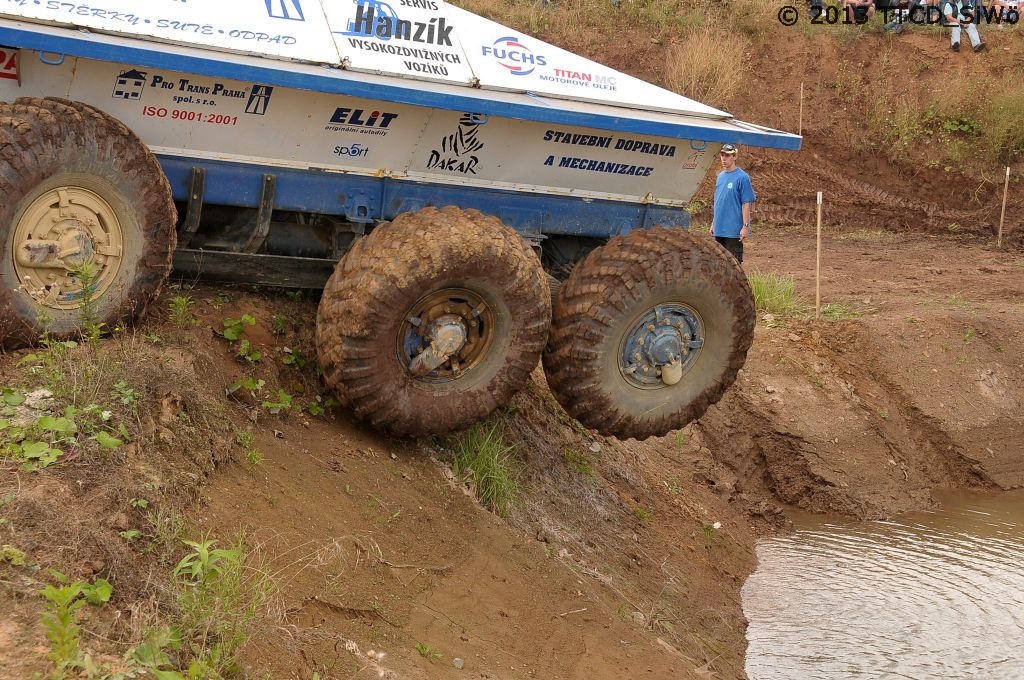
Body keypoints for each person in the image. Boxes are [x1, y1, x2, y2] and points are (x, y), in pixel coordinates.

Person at [709, 144, 756, 264]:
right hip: (719, 229)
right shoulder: (720, 177)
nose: (724, 158)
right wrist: (714, 223)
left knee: (734, 267)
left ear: (734, 157)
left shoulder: (742, 177)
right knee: (719, 265)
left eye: (728, 156)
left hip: (733, 231)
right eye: (722, 155)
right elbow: (719, 201)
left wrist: (745, 226)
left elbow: (746, 203)